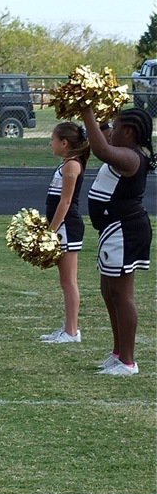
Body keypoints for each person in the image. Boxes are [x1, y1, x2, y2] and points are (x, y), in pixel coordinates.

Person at [80, 106, 153, 376]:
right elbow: (103, 135)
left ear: (130, 132)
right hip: (114, 230)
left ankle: (128, 362)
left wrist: (85, 111)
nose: (111, 131)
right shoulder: (123, 147)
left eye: (117, 126)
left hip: (125, 230)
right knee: (109, 292)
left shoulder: (131, 157)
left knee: (122, 295)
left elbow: (102, 150)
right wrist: (98, 109)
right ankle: (118, 352)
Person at [39, 122, 89, 344]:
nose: (51, 143)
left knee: (69, 281)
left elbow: (66, 202)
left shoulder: (72, 166)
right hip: (62, 226)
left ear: (64, 143)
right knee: (65, 281)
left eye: (53, 139)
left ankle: (71, 331)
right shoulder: (66, 164)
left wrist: (51, 231)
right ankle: (68, 328)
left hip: (67, 226)